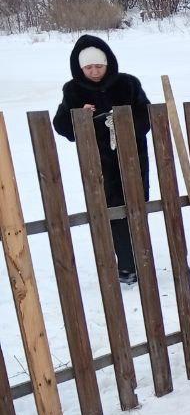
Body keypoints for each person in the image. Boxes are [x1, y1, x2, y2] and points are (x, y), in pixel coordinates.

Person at [53, 35, 152, 286]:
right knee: (112, 211)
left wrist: (124, 123)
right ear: (80, 68)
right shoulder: (73, 90)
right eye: (88, 67)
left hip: (132, 158)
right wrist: (80, 117)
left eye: (99, 66)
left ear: (108, 63)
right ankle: (127, 265)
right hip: (98, 164)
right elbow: (61, 125)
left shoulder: (128, 84)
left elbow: (147, 116)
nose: (94, 72)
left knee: (136, 207)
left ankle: (140, 259)